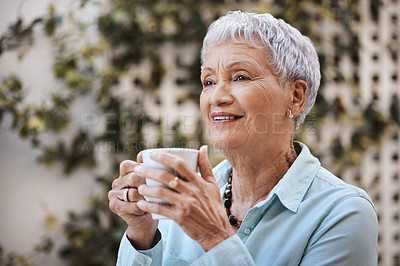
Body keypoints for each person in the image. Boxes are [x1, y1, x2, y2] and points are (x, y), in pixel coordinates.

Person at [108, 11, 378, 265]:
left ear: (295, 97)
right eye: (209, 82)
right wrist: (142, 234)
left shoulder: (344, 212)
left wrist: (215, 237)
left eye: (240, 77)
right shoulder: (187, 196)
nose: (217, 97)